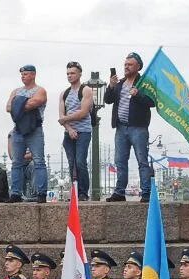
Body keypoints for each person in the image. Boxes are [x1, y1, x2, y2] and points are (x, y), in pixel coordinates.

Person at [103, 52, 155, 202]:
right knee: (120, 161)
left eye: (130, 64)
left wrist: (138, 94)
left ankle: (146, 193)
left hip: (138, 128)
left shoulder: (144, 83)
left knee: (142, 161)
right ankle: (119, 192)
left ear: (138, 67)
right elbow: (108, 100)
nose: (126, 67)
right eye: (125, 64)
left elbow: (152, 102)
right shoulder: (119, 83)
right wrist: (111, 86)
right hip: (121, 128)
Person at [7, 64, 48, 203]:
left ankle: (41, 193)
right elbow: (8, 107)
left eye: (25, 74)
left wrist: (17, 104)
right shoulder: (16, 90)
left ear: (33, 74)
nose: (22, 76)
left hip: (34, 130)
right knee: (16, 162)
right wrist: (22, 104)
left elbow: (37, 101)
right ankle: (15, 193)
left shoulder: (40, 90)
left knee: (39, 161)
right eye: (22, 74)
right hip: (18, 130)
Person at [58, 62, 94, 201]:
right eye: (68, 73)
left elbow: (84, 113)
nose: (69, 76)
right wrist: (69, 128)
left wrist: (66, 119)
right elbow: (61, 116)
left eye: (72, 73)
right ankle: (74, 192)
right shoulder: (64, 93)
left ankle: (83, 192)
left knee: (80, 162)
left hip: (83, 131)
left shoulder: (86, 90)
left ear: (79, 74)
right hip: (69, 132)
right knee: (71, 163)